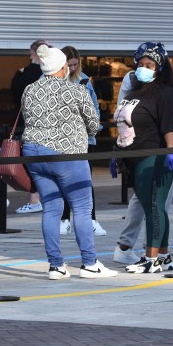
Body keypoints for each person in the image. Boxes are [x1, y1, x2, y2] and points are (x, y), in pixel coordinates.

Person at [22, 46, 115, 279]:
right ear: (63, 67)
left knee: (52, 209)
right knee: (82, 208)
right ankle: (90, 263)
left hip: (34, 154)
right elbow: (93, 123)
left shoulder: (30, 90)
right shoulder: (74, 90)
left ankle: (56, 266)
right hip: (68, 154)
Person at [113, 42, 173, 274]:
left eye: (149, 65)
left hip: (155, 155)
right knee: (153, 206)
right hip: (135, 155)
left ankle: (150, 257)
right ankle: (163, 256)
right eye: (141, 64)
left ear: (159, 67)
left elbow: (169, 125)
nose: (144, 68)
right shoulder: (135, 90)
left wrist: (171, 152)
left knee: (154, 206)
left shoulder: (165, 93)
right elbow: (124, 123)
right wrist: (117, 153)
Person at [60, 45, 106, 236]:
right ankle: (64, 219)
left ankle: (91, 219)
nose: (72, 69)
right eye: (69, 65)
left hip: (85, 138)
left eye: (75, 65)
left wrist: (93, 129)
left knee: (85, 179)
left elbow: (94, 107)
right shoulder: (53, 80)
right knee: (62, 180)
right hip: (62, 138)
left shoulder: (84, 80)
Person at [12, 39, 50, 215]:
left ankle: (35, 200)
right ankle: (42, 199)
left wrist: (23, 72)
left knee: (34, 163)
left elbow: (17, 91)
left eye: (30, 54)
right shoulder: (51, 71)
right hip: (46, 127)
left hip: (33, 127)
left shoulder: (32, 72)